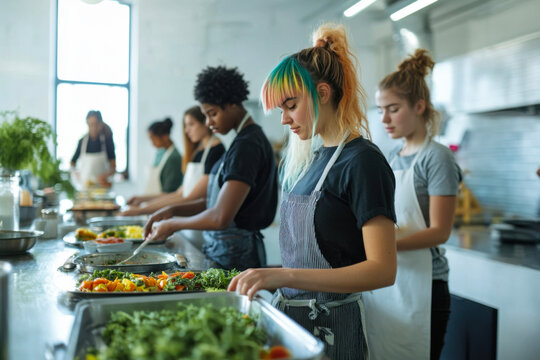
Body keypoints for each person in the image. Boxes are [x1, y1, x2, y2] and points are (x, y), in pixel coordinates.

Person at [227, 24, 397, 360]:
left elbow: (382, 270)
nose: (284, 119)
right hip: (296, 323)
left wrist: (284, 275)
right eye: (280, 110)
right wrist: (267, 276)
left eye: (290, 105)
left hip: (333, 328)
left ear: (322, 93)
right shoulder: (314, 161)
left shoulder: (363, 162)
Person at [363, 49, 462, 360]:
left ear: (419, 107)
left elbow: (439, 231)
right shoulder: (391, 157)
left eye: (393, 109)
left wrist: (384, 245)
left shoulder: (437, 157)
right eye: (381, 110)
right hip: (391, 281)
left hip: (427, 286)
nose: (384, 119)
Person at [144, 66, 278, 270]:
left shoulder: (248, 145)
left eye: (212, 113)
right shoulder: (240, 141)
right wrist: (172, 210)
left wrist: (173, 223)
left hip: (237, 254)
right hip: (225, 249)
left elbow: (220, 217)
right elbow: (214, 202)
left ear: (232, 104)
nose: (208, 122)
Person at [122, 107, 224, 215]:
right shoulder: (198, 151)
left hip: (202, 218)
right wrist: (143, 200)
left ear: (205, 122)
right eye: (185, 126)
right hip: (188, 218)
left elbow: (190, 198)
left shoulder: (216, 151)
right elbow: (180, 193)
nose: (186, 130)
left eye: (191, 124)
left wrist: (141, 210)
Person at [70, 110, 116, 188]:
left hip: (102, 189)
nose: (93, 128)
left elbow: (113, 168)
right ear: (87, 124)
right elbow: (72, 162)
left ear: (100, 124)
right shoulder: (82, 142)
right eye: (90, 125)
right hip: (84, 188)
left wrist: (105, 176)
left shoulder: (107, 141)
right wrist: (75, 173)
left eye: (96, 124)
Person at [141, 117, 183, 195]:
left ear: (165, 137)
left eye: (153, 139)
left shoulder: (174, 158)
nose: (152, 144)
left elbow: (169, 191)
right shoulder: (160, 153)